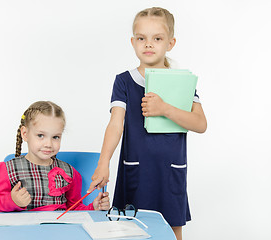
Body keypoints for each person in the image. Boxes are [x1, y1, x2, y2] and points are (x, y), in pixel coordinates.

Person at [88, 7, 207, 240]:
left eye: (157, 38)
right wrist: (103, 163)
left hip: (170, 172)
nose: (148, 44)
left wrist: (165, 109)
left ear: (170, 43)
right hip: (136, 171)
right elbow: (115, 124)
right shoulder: (123, 81)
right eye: (142, 38)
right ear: (133, 42)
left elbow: (200, 123)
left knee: (171, 231)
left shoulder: (182, 82)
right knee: (129, 230)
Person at [0, 101, 110, 212]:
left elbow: (74, 210)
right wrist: (12, 200)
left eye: (55, 137)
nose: (48, 144)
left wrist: (93, 207)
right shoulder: (6, 170)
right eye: (41, 135)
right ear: (25, 134)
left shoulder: (70, 173)